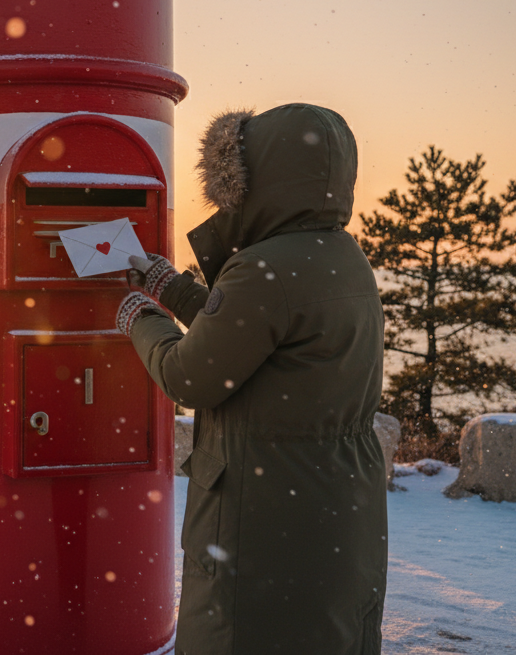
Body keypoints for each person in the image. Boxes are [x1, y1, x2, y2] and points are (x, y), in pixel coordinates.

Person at [115, 104, 388, 654]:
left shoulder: (264, 267)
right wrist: (169, 286)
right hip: (333, 497)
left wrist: (137, 319)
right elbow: (248, 333)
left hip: (264, 504)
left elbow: (190, 376)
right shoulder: (340, 255)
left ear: (254, 178)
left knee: (241, 633)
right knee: (319, 632)